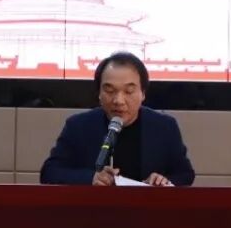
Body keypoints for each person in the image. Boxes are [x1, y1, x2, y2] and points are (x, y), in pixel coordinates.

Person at [40, 51, 195, 186]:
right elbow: (49, 172)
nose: (118, 100)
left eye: (129, 91)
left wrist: (163, 180)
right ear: (99, 93)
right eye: (110, 90)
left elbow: (185, 174)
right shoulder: (78, 126)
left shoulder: (164, 126)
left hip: (146, 209)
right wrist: (91, 178)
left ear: (143, 93)